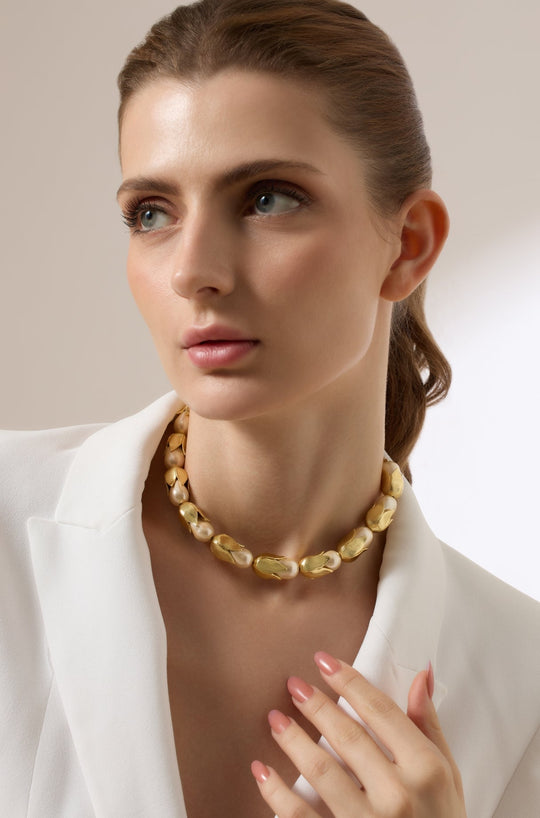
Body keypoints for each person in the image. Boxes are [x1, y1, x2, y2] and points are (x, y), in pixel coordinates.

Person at [1, 0, 538, 816]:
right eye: (152, 214)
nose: (193, 271)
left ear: (409, 244)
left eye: (267, 200)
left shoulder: (521, 682)